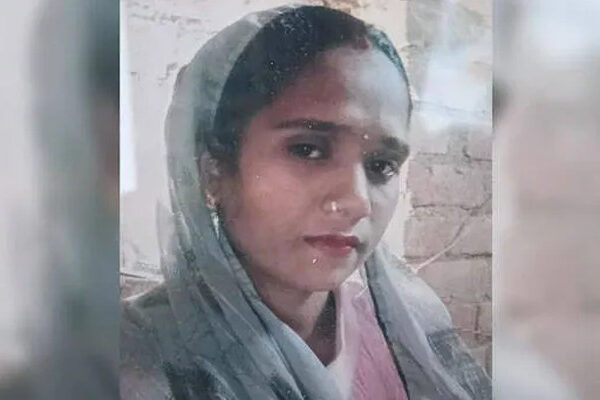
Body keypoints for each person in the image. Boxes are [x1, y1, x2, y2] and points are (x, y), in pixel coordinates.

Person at [120, 5, 491, 399]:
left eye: (382, 165)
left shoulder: (410, 335)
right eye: (308, 150)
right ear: (214, 172)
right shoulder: (135, 362)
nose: (357, 201)